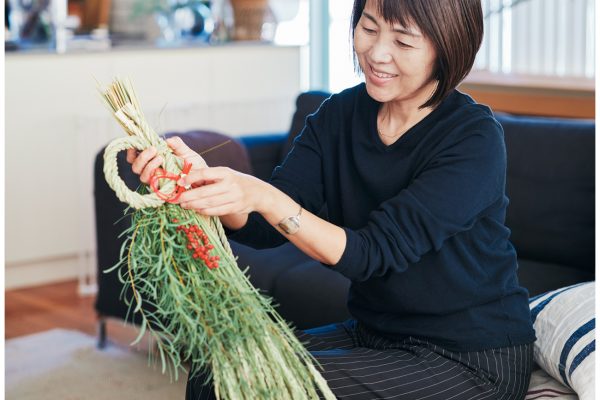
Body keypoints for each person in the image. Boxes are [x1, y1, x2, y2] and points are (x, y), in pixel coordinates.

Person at [128, 0, 536, 398]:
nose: (377, 53)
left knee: (258, 385)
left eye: (403, 42)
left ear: (446, 48)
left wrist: (264, 196)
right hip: (375, 333)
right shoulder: (337, 116)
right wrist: (203, 184)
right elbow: (262, 228)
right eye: (369, 27)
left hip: (470, 356)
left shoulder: (473, 138)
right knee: (215, 372)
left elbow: (371, 253)